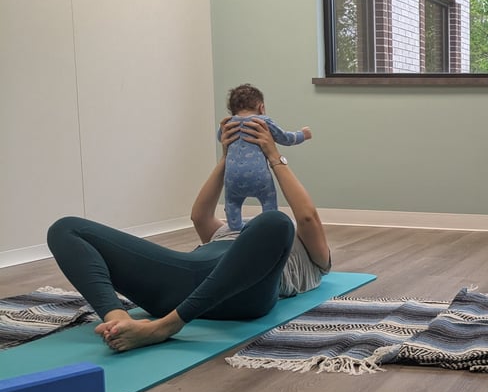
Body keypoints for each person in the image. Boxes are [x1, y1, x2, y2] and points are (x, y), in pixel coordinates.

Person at [46, 118, 331, 352]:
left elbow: (306, 216)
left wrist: (273, 155)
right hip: (179, 285)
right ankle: (117, 319)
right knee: (65, 228)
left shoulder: (312, 254)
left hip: (243, 296)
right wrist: (228, 156)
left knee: (276, 221)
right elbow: (199, 215)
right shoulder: (223, 229)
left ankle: (165, 327)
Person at [220, 83, 313, 231]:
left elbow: (221, 138)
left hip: (232, 178)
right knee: (268, 200)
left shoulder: (228, 124)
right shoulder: (263, 122)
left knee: (232, 202)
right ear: (261, 107)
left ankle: (236, 229)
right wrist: (303, 134)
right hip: (259, 177)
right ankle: (269, 227)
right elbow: (285, 138)